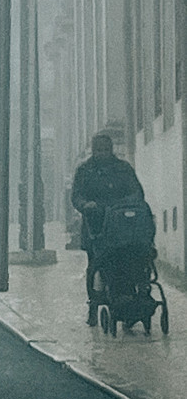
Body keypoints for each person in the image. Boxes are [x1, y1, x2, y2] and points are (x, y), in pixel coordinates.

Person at [71, 132, 145, 325]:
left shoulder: (123, 169)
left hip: (122, 228)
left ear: (111, 150)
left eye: (106, 149)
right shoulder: (85, 170)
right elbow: (76, 196)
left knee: (130, 260)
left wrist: (127, 203)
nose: (102, 153)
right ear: (93, 151)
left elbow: (136, 191)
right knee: (95, 263)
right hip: (95, 227)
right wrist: (86, 205)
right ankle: (94, 304)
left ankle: (131, 297)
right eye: (98, 150)